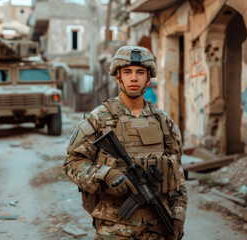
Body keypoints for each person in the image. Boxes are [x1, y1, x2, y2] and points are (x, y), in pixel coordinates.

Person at [63, 46, 187, 240]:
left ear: (148, 78)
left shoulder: (164, 122)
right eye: (127, 72)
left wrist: (178, 217)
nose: (134, 78)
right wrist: (105, 174)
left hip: (158, 227)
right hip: (114, 227)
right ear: (118, 77)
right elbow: (73, 164)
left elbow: (177, 176)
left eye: (140, 73)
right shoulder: (98, 119)